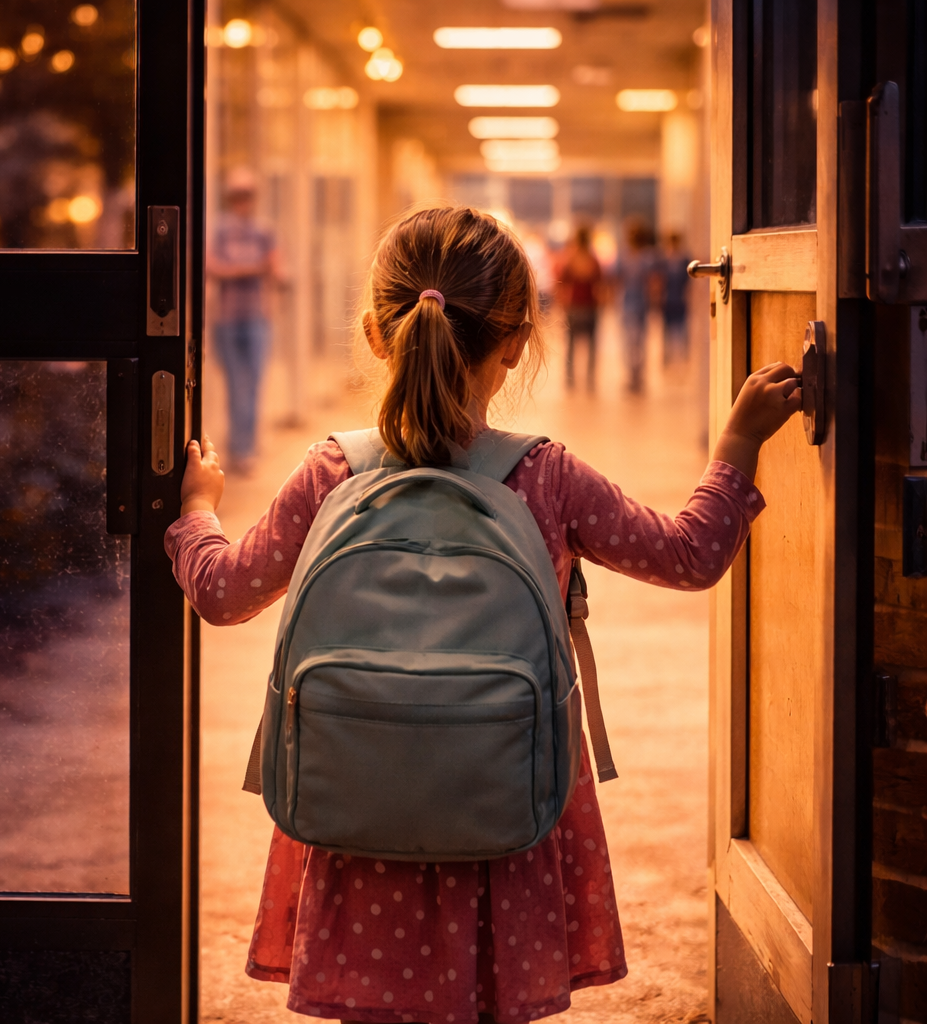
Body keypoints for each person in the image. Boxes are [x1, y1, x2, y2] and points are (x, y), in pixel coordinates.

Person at [167, 205, 801, 1024]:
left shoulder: (331, 471)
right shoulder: (544, 476)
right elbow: (687, 555)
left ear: (374, 332)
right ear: (515, 343)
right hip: (508, 797)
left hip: (360, 795)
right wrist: (739, 443)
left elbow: (221, 593)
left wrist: (196, 510)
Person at [208, 168, 279, 473]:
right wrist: (254, 268)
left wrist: (240, 268)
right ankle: (239, 446)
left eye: (247, 195)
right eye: (237, 195)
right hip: (226, 318)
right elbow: (213, 267)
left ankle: (245, 446)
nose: (242, 201)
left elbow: (276, 267)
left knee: (254, 383)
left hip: (257, 317)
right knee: (237, 384)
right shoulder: (219, 230)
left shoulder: (264, 231)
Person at [554, 225, 602, 389]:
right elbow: (600, 284)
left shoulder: (570, 259)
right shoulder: (593, 259)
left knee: (571, 345)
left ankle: (570, 379)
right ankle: (589, 378)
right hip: (590, 306)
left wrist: (562, 303)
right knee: (592, 344)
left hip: (574, 306)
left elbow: (561, 284)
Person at [618, 220, 656, 393]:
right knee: (631, 342)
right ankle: (633, 376)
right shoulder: (635, 257)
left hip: (638, 304)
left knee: (636, 342)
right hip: (630, 304)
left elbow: (653, 283)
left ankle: (637, 376)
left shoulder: (644, 258)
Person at [659, 231, 693, 365]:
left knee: (682, 331)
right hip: (668, 301)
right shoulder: (664, 260)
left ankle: (682, 358)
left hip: (680, 300)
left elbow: (688, 282)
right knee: (667, 332)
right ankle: (667, 359)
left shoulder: (684, 260)